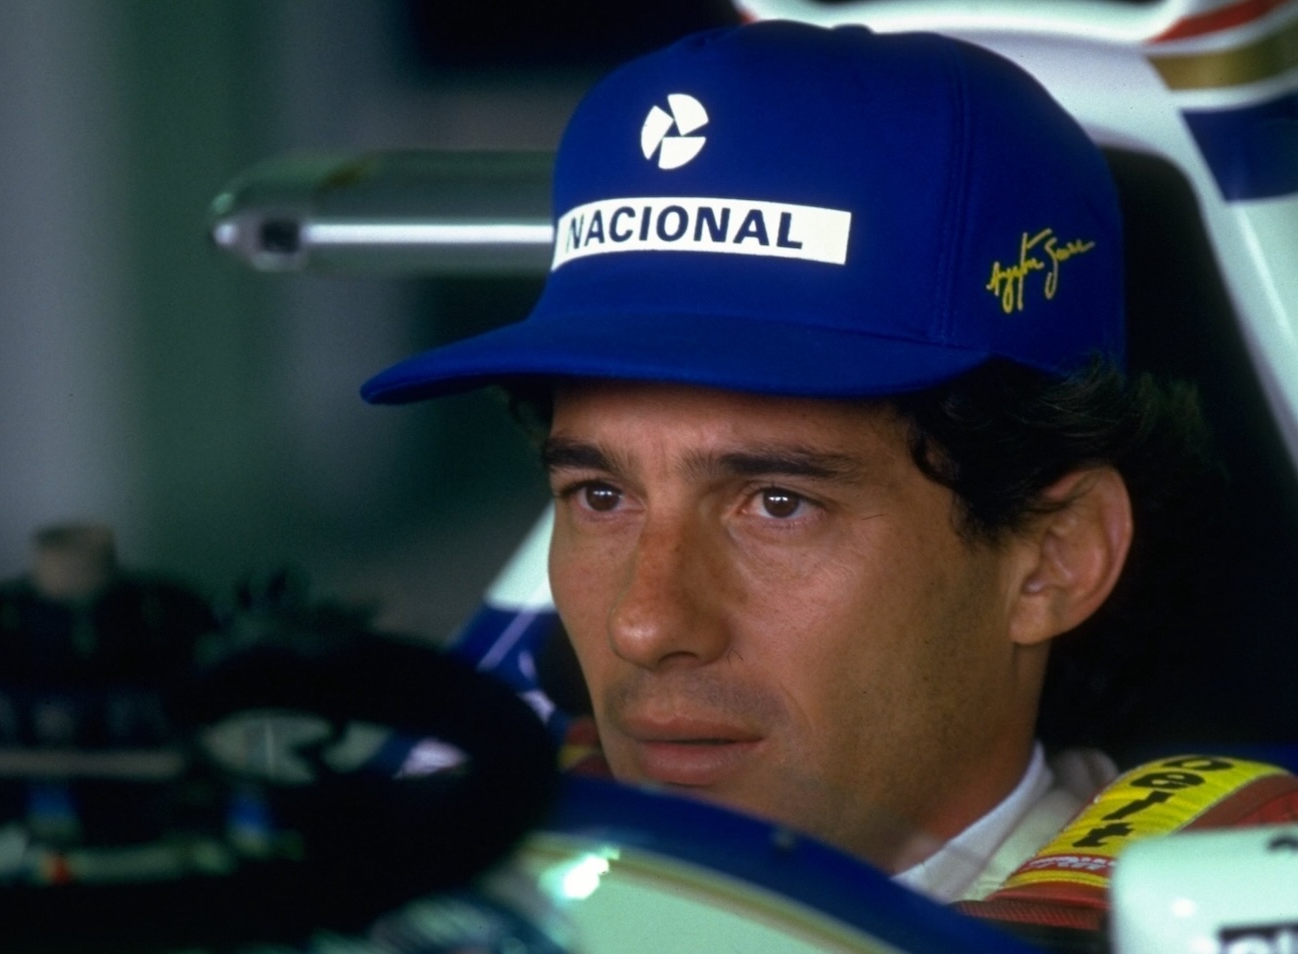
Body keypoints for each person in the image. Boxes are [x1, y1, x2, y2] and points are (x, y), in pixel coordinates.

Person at [360, 20, 1216, 901]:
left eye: (776, 503)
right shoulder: (451, 888)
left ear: (1053, 557)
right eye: (602, 494)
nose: (644, 627)